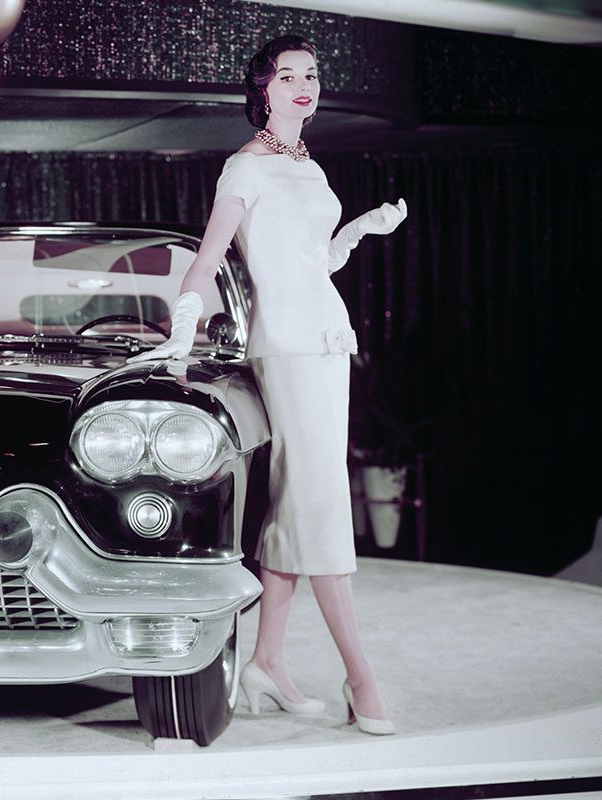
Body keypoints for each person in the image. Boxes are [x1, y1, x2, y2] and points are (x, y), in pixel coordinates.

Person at [130, 34, 406, 735]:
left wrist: (361, 232)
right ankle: (360, 675)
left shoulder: (309, 167)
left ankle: (268, 664)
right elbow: (209, 259)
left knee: (297, 500)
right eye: (289, 76)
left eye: (311, 74)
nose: (304, 85)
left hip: (327, 340)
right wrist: (184, 328)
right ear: (264, 90)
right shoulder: (242, 169)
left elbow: (311, 262)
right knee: (320, 505)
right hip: (285, 347)